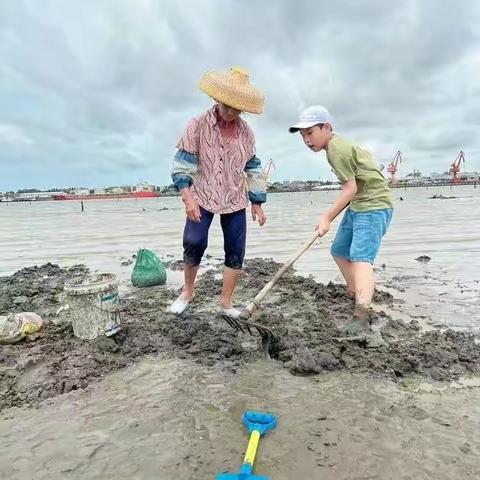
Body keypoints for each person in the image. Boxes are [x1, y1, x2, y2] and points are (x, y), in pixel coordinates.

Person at [168, 67, 267, 319]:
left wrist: (257, 202)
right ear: (217, 99)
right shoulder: (197, 124)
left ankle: (225, 302)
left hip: (235, 198)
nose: (231, 112)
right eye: (227, 106)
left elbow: (253, 167)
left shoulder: (246, 132)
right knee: (194, 241)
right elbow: (182, 164)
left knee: (235, 249)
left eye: (237, 108)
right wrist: (187, 197)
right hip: (202, 195)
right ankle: (187, 292)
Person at [289, 105, 394, 332]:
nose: (307, 140)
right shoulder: (332, 149)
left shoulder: (338, 149)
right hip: (358, 205)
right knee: (339, 250)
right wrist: (332, 215)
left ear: (327, 127)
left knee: (361, 258)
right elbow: (354, 188)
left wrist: (326, 216)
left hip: (374, 206)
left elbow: (350, 188)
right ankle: (356, 291)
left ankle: (362, 314)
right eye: (303, 136)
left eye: (310, 133)